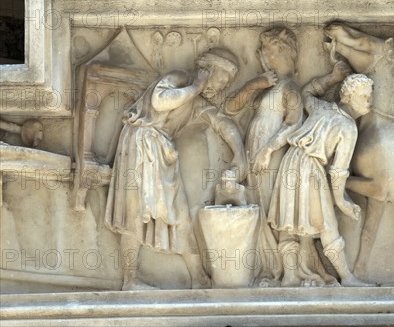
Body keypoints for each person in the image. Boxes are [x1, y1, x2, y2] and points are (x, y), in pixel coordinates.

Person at [105, 48, 247, 290]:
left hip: (160, 152)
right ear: (207, 70)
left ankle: (198, 278)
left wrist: (240, 155)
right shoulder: (180, 78)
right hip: (141, 145)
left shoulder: (198, 103)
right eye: (222, 79)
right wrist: (196, 87)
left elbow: (223, 124)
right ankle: (130, 279)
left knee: (180, 214)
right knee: (134, 212)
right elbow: (159, 101)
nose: (222, 87)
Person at [268, 64, 374, 287]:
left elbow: (306, 92)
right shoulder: (348, 127)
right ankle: (347, 277)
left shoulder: (322, 108)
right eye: (364, 97)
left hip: (291, 162)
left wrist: (331, 77)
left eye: (369, 97)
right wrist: (341, 201)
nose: (369, 102)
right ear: (349, 97)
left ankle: (289, 277)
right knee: (327, 224)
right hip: (310, 169)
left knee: (289, 220)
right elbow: (337, 172)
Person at [223, 27, 302, 284]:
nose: (262, 57)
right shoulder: (267, 87)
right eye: (261, 53)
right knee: (261, 211)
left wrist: (268, 151)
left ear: (281, 54)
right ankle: (270, 270)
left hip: (273, 159)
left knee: (277, 212)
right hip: (255, 159)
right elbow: (230, 107)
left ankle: (289, 273)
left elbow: (294, 123)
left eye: (267, 52)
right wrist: (254, 83)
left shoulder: (290, 87)